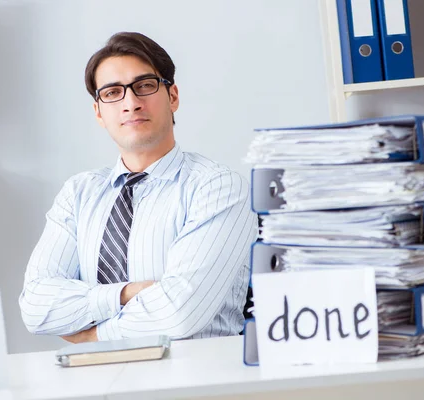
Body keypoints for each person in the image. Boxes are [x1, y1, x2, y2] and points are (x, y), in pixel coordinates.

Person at [19, 32, 258, 343]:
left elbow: (180, 313)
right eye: (112, 93)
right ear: (98, 112)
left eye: (144, 86)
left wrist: (93, 336)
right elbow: (36, 307)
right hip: (95, 382)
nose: (130, 103)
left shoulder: (218, 188)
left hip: (193, 381)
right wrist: (124, 294)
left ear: (172, 97)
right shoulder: (78, 194)